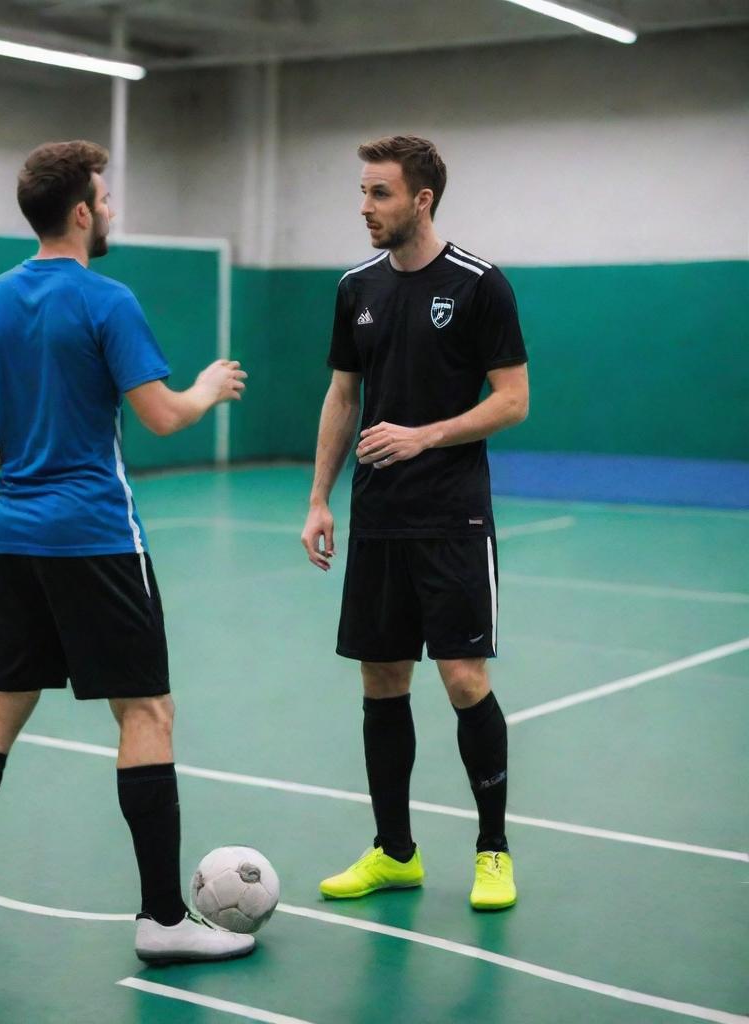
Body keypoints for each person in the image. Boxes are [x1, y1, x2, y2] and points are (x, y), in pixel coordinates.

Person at [0, 139, 254, 963]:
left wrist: (3, 458)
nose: (112, 210)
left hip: (16, 539)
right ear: (79, 212)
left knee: (0, 706)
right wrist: (206, 387)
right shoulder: (107, 300)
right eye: (106, 197)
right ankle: (164, 919)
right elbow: (164, 416)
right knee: (146, 713)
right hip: (97, 537)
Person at [300, 135, 529, 911]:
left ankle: (492, 850)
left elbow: (512, 400)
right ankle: (395, 851)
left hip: (454, 516)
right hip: (379, 520)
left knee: (464, 680)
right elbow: (342, 396)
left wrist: (424, 434)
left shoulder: (479, 285)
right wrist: (319, 498)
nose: (365, 208)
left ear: (421, 200)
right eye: (362, 192)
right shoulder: (355, 287)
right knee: (382, 678)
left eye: (380, 194)